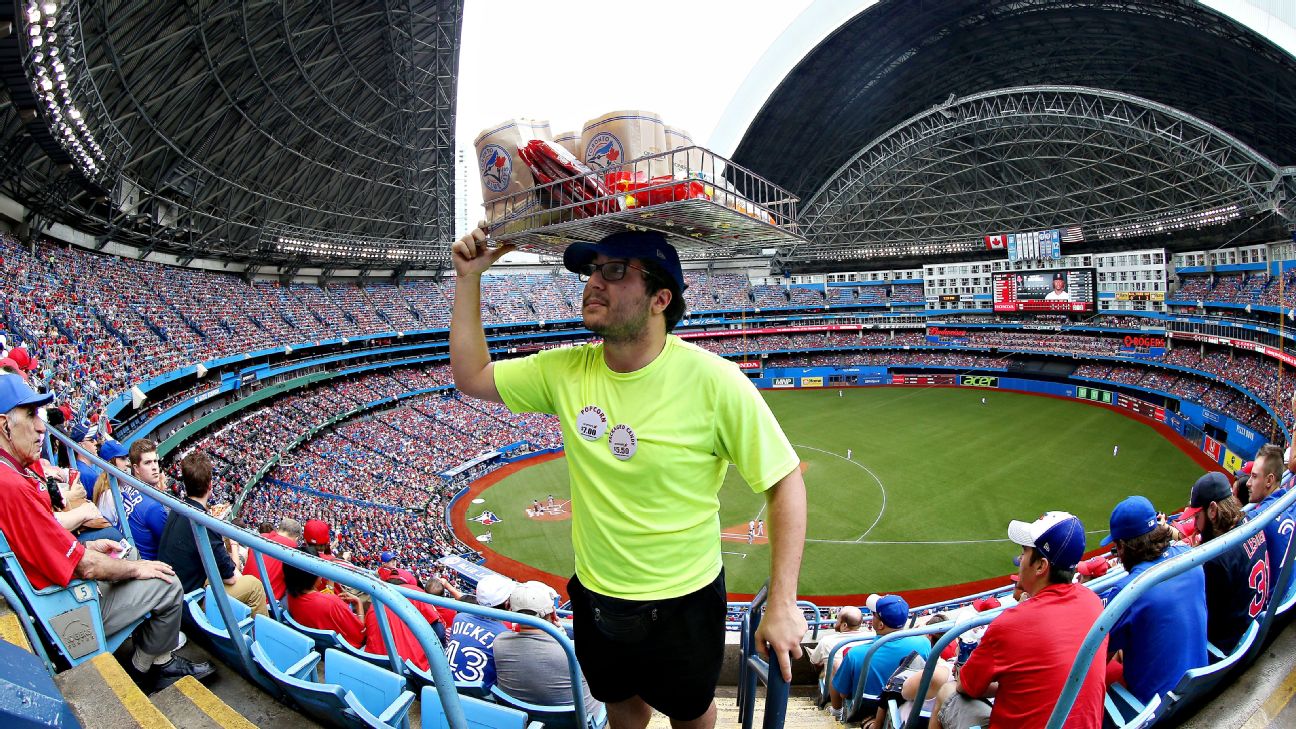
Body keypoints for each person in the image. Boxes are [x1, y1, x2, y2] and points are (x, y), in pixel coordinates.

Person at [451, 227, 808, 729]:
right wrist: (469, 279)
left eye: (615, 271)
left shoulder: (716, 381)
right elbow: (472, 376)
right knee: (621, 704)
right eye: (593, 269)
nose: (594, 281)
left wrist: (784, 601)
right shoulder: (567, 370)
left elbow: (785, 480)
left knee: (691, 714)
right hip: (596, 596)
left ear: (661, 298)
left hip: (686, 600)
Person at [0, 375, 213, 691]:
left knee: (127, 554)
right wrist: (135, 567)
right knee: (167, 581)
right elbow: (85, 566)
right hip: (69, 607)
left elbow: (47, 545)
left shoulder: (10, 476)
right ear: (5, 426)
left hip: (59, 596)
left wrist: (90, 547)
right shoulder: (12, 487)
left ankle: (151, 659)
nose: (42, 428)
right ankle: (150, 668)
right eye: (31, 416)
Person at [931, 511, 1106, 729]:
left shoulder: (1012, 623)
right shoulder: (1094, 603)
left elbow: (966, 686)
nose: (1020, 559)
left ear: (1041, 566)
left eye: (1025, 551)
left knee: (946, 691)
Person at [1100, 496, 1207, 705]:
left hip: (1156, 711)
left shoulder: (1129, 590)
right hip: (1201, 688)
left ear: (1122, 546)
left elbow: (1099, 658)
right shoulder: (1190, 556)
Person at [157, 451, 267, 615]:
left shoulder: (176, 509)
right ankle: (257, 638)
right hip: (189, 601)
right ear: (210, 485)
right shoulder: (205, 524)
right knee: (254, 586)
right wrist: (234, 547)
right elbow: (231, 577)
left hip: (170, 590)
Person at [1179, 472, 1268, 652]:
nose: (1196, 525)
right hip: (1252, 633)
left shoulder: (1217, 560)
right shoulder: (1251, 523)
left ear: (1212, 510)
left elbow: (1202, 622)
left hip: (1226, 650)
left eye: (1197, 517)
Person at [494, 580, 602, 715]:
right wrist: (561, 634)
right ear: (553, 614)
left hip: (524, 720)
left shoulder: (499, 643)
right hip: (580, 723)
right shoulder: (574, 651)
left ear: (510, 610)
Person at [831, 594, 928, 725]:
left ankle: (836, 714)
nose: (872, 617)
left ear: (881, 624)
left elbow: (843, 694)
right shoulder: (924, 643)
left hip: (863, 712)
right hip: (907, 707)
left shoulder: (855, 654)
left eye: (874, 615)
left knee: (835, 665)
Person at [283, 546, 366, 649]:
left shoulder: (291, 594)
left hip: (320, 650)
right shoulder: (331, 603)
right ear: (314, 575)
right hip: (344, 654)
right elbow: (360, 636)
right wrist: (359, 604)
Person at [445, 573, 514, 689]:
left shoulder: (459, 618)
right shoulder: (504, 635)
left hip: (442, 686)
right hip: (476, 696)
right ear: (507, 604)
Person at [1246, 444, 1293, 577]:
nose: (1248, 483)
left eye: (1254, 476)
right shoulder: (1289, 502)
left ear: (1269, 480)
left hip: (1273, 596)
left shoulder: (1258, 518)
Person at [126, 439, 170, 561]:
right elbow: (173, 544)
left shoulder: (128, 488)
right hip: (154, 567)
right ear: (136, 468)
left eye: (155, 461)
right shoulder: (152, 507)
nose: (155, 467)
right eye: (147, 463)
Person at [243, 518, 302, 601]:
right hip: (264, 605)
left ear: (278, 529)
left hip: (241, 594)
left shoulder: (261, 536)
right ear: (296, 538)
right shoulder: (293, 550)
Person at [808, 606, 865, 684]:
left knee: (823, 672)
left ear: (844, 625)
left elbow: (814, 661)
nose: (836, 621)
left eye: (838, 619)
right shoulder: (871, 638)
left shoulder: (826, 641)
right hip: (860, 685)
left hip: (834, 690)